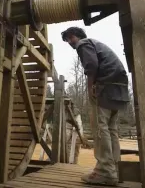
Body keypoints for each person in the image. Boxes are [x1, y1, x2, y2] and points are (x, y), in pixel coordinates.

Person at [61, 26, 130, 186]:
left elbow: (91, 65)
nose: (70, 42)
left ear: (77, 36)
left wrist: (90, 86)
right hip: (119, 89)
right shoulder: (96, 44)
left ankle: (104, 172)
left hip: (105, 87)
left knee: (100, 129)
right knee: (111, 130)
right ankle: (114, 170)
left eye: (71, 38)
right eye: (67, 40)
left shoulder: (84, 44)